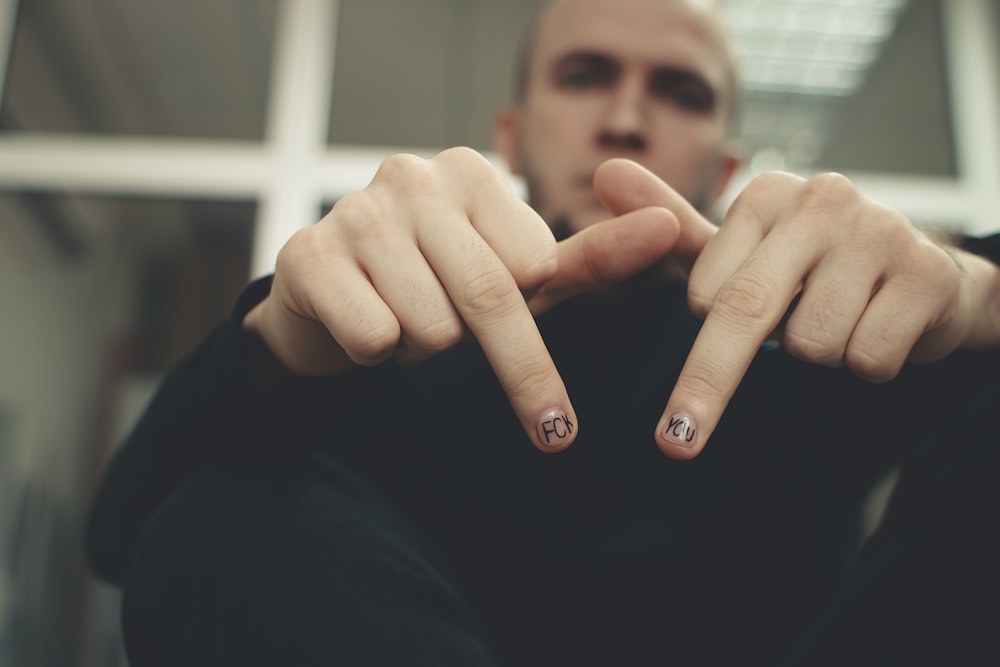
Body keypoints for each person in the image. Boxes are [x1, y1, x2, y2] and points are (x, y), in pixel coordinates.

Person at [86, 0, 1000, 665]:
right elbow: (131, 541)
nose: (627, 115)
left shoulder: (823, 346)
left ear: (725, 165)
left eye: (679, 90)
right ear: (510, 137)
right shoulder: (402, 341)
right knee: (230, 514)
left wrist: (975, 289)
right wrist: (276, 339)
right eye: (585, 73)